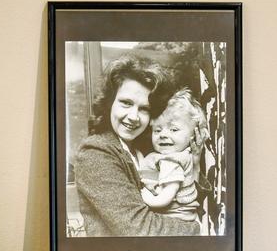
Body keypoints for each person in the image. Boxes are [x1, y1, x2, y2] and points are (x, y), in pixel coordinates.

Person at [73, 54, 208, 237]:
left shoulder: (146, 148)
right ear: (109, 102)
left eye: (144, 109)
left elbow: (184, 201)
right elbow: (139, 229)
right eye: (126, 103)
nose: (134, 117)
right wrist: (199, 229)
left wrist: (194, 163)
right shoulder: (95, 153)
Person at [139, 88, 209, 224]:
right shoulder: (184, 156)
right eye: (157, 130)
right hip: (186, 219)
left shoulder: (172, 161)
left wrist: (147, 198)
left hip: (174, 219)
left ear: (192, 135)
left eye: (174, 129)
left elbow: (166, 196)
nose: (163, 134)